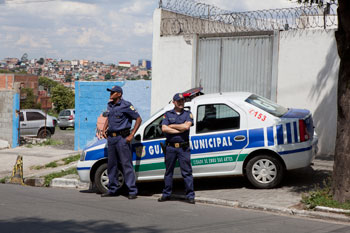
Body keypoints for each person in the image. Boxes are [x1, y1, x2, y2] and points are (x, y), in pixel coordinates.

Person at [101, 86, 142, 199]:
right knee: (111, 165)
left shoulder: (126, 105)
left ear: (119, 94)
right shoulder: (110, 105)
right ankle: (112, 189)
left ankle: (132, 191)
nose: (111, 94)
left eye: (113, 92)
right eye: (111, 92)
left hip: (122, 138)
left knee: (126, 164)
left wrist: (131, 135)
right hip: (112, 139)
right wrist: (104, 128)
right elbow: (109, 118)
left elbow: (138, 119)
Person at [158, 93, 195, 204]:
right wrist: (180, 128)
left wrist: (172, 126)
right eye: (178, 101)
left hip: (183, 148)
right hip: (170, 148)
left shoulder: (188, 114)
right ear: (173, 102)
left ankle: (190, 196)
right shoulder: (167, 114)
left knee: (187, 172)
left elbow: (186, 127)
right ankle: (166, 194)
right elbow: (164, 129)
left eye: (182, 100)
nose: (181, 102)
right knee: (169, 172)